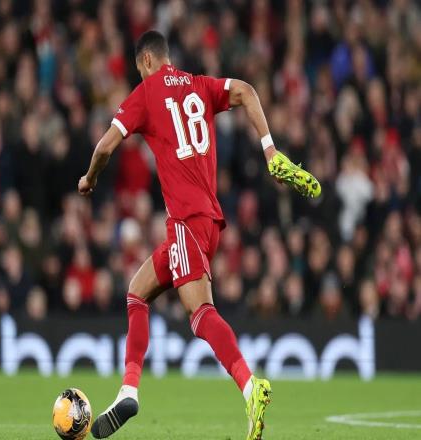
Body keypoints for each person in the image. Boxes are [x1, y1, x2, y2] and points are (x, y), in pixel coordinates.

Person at [78, 30, 320, 440]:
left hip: (186, 222)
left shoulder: (146, 93)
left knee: (200, 311)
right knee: (137, 292)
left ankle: (250, 386)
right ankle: (128, 391)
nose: (141, 76)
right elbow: (246, 91)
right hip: (208, 222)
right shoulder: (198, 85)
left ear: (147, 61)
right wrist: (270, 149)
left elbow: (104, 147)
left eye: (140, 69)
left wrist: (90, 179)